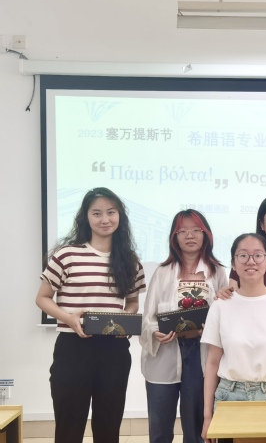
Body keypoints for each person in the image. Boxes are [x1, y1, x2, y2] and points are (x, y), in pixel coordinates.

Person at [35, 187, 145, 443]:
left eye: (111, 212)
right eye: (97, 213)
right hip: (73, 348)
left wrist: (125, 322)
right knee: (69, 426)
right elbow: (42, 298)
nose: (105, 219)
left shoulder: (130, 260)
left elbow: (132, 302)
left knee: (108, 426)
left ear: (120, 216)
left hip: (114, 349)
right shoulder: (66, 255)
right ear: (86, 217)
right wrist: (69, 318)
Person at [201, 233, 266, 441]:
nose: (251, 261)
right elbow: (212, 363)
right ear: (233, 263)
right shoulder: (220, 306)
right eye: (243, 255)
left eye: (258, 255)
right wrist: (207, 417)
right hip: (230, 396)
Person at [140, 209, 227, 443]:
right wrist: (154, 332)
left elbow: (225, 315)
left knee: (197, 428)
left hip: (201, 354)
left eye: (196, 229)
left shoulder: (217, 272)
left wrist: (211, 325)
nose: (190, 235)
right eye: (183, 231)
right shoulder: (162, 272)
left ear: (205, 234)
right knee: (160, 428)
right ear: (174, 237)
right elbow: (148, 317)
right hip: (165, 352)